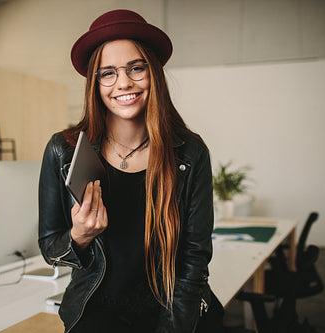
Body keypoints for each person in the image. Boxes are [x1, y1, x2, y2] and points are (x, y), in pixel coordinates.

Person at [38, 9, 223, 333]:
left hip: (169, 315)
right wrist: (79, 236)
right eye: (107, 73)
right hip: (94, 314)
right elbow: (51, 248)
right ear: (95, 83)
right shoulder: (63, 150)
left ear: (153, 73)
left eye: (136, 68)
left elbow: (195, 261)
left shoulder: (190, 153)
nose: (123, 82)